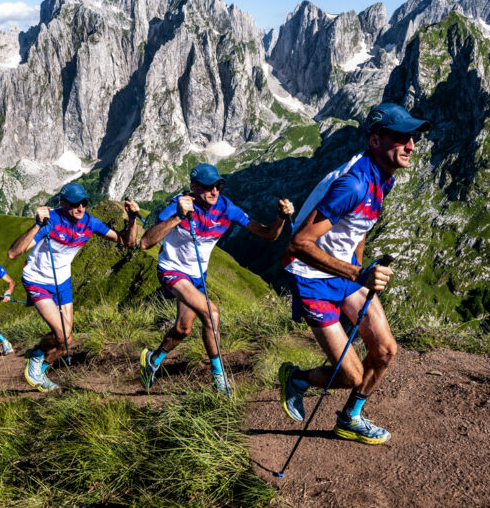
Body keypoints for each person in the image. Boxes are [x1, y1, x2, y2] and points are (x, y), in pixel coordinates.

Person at [278, 102, 429, 444]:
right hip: (309, 276)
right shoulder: (354, 184)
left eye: (413, 137)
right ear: (375, 140)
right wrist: (358, 274)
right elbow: (299, 243)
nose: (411, 145)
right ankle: (298, 378)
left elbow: (358, 228)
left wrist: (358, 270)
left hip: (344, 274)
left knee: (386, 350)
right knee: (350, 375)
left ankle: (350, 418)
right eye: (402, 137)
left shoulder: (383, 177)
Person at [137, 163, 294, 393]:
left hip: (197, 277)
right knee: (212, 314)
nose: (214, 191)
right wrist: (177, 217)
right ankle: (220, 382)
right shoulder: (179, 204)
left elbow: (268, 234)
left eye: (218, 185)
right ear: (193, 187)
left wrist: (280, 218)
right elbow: (145, 242)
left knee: (182, 329)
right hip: (171, 270)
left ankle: (153, 359)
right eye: (209, 186)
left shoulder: (225, 207)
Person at [8, 182, 140, 391]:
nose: (80, 208)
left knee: (67, 340)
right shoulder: (51, 221)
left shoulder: (89, 222)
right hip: (37, 279)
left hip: (62, 282)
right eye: (75, 204)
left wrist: (132, 218)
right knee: (61, 334)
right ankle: (36, 355)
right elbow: (13, 253)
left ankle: (40, 370)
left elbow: (127, 242)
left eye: (84, 203)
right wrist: (36, 225)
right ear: (62, 203)